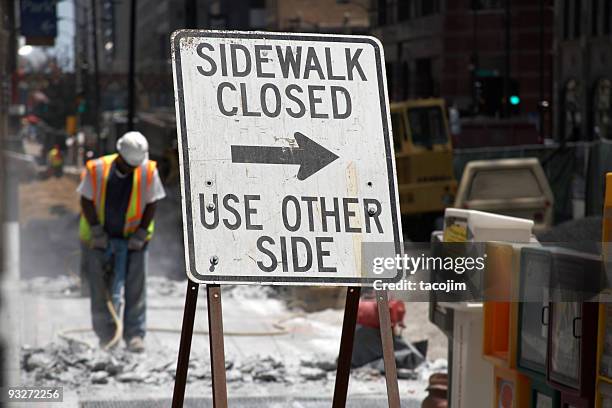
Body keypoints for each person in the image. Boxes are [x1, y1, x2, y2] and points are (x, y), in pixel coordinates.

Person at [77, 131, 165, 352]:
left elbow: (152, 203)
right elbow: (86, 200)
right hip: (101, 239)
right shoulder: (97, 169)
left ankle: (134, 335)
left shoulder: (147, 170)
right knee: (101, 290)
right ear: (120, 157)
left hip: (134, 240)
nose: (134, 169)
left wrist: (142, 232)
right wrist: (96, 230)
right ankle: (107, 336)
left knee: (136, 288)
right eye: (129, 166)